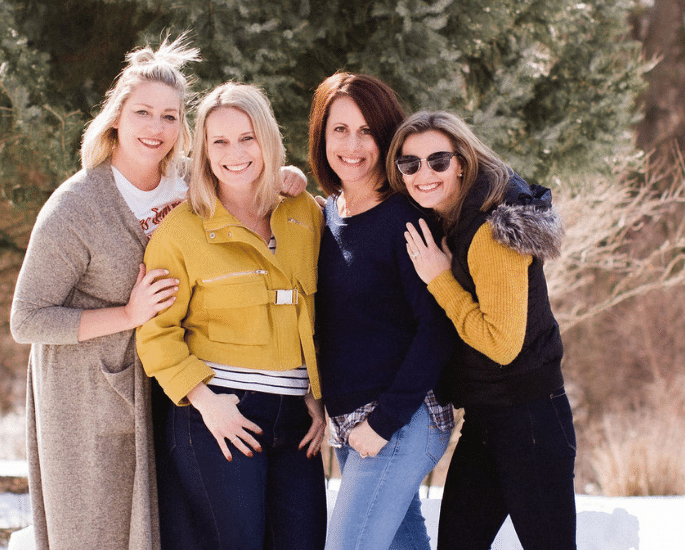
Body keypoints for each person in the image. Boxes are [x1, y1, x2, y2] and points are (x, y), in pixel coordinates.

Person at [10, 36, 307, 550]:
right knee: (98, 537)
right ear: (116, 118)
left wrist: (286, 175)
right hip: (88, 403)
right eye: (143, 113)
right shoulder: (75, 208)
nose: (156, 128)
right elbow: (27, 319)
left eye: (170, 116)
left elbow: (240, 173)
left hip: (165, 390)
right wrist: (128, 314)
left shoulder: (187, 182)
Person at [136, 82, 327, 550]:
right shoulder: (180, 232)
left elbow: (323, 310)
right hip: (219, 414)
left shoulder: (305, 213)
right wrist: (205, 401)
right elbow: (156, 333)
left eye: (247, 138)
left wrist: (316, 391)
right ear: (203, 151)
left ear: (268, 139)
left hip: (297, 419)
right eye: (219, 141)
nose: (234, 153)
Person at [388, 111, 576, 550]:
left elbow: (501, 344)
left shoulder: (490, 231)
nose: (423, 174)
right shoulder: (453, 216)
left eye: (437, 161)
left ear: (461, 162)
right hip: (486, 419)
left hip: (530, 420)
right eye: (410, 164)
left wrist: (440, 280)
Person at [309, 72, 455, 550]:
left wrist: (383, 422)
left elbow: (437, 328)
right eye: (340, 130)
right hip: (352, 425)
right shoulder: (328, 214)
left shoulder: (405, 218)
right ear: (322, 136)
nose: (352, 145)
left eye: (367, 131)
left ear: (387, 137)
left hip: (402, 419)